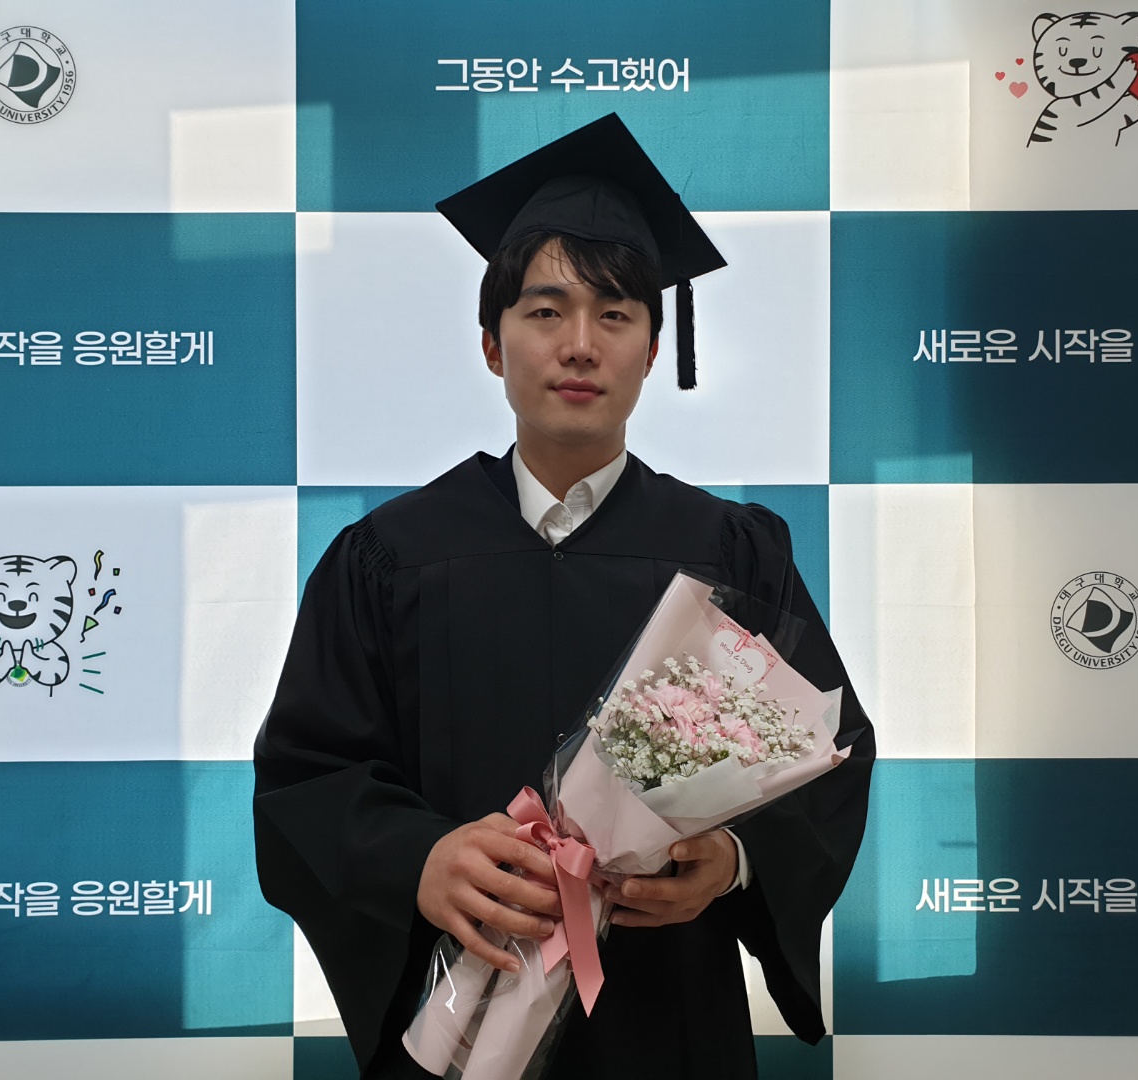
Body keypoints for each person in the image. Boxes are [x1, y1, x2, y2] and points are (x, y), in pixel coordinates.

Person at [254, 114, 875, 1080]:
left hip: (670, 1023)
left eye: (615, 315)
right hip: (459, 1026)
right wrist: (419, 859)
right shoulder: (387, 559)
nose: (580, 345)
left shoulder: (730, 551)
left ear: (653, 349)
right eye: (545, 312)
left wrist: (733, 861)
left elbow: (829, 755)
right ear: (492, 344)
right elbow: (305, 779)